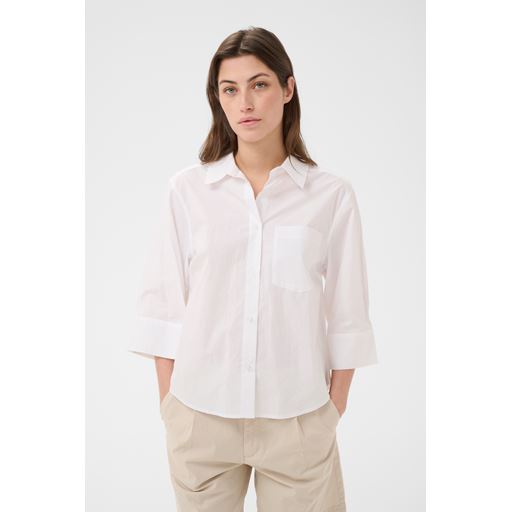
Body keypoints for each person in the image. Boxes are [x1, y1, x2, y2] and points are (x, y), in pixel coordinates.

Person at [128, 25, 378, 512]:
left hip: (297, 420)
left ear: (287, 88)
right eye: (230, 89)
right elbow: (163, 308)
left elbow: (348, 313)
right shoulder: (187, 192)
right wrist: (171, 406)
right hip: (200, 416)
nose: (244, 102)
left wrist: (331, 410)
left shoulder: (331, 196)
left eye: (259, 84)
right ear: (217, 99)